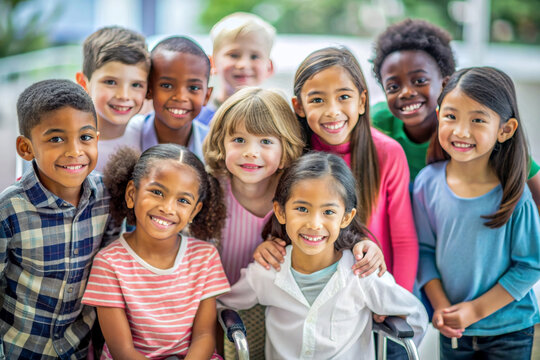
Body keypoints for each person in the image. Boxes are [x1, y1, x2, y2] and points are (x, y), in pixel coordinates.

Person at [203, 87, 384, 358]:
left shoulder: (299, 193)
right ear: (221, 142)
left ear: (285, 146)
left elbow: (338, 228)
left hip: (282, 311)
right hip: (216, 307)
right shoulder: (210, 192)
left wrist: (368, 246)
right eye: (239, 139)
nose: (251, 152)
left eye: (265, 142)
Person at [218, 152, 427, 359]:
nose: (314, 224)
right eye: (302, 209)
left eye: (328, 212)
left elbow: (415, 315)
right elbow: (222, 304)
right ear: (281, 212)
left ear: (346, 218)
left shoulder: (362, 273)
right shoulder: (267, 271)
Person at [414, 67, 540, 359]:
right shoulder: (426, 183)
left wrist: (475, 310)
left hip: (509, 331)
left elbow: (531, 264)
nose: (461, 131)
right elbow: (423, 251)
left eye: (478, 120)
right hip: (455, 333)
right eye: (451, 116)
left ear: (504, 130)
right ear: (438, 115)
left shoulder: (513, 192)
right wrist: (441, 306)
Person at [0, 79, 118, 359]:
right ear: (26, 148)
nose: (75, 151)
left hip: (81, 349)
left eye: (85, 137)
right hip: (20, 349)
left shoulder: (106, 197)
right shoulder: (10, 209)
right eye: (56, 139)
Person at [371, 19, 540, 209]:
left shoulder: (482, 131)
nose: (406, 92)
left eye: (419, 81)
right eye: (393, 86)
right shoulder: (377, 123)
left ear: (445, 84)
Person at [82, 144, 230, 359]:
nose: (168, 208)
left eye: (183, 200)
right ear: (132, 194)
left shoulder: (205, 257)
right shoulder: (109, 263)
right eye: (157, 192)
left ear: (194, 211)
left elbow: (205, 336)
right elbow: (122, 350)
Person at [75, 26, 150, 172]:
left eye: (136, 84)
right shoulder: (71, 145)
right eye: (110, 82)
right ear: (84, 83)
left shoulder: (146, 134)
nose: (123, 95)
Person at [126, 36, 213, 161]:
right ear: (149, 90)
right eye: (167, 85)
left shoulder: (214, 147)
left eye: (193, 88)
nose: (181, 97)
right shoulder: (127, 136)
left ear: (207, 96)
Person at [207, 12, 275, 117]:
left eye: (254, 57)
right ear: (212, 63)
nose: (243, 64)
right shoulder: (196, 119)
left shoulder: (277, 118)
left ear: (269, 68)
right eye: (233, 55)